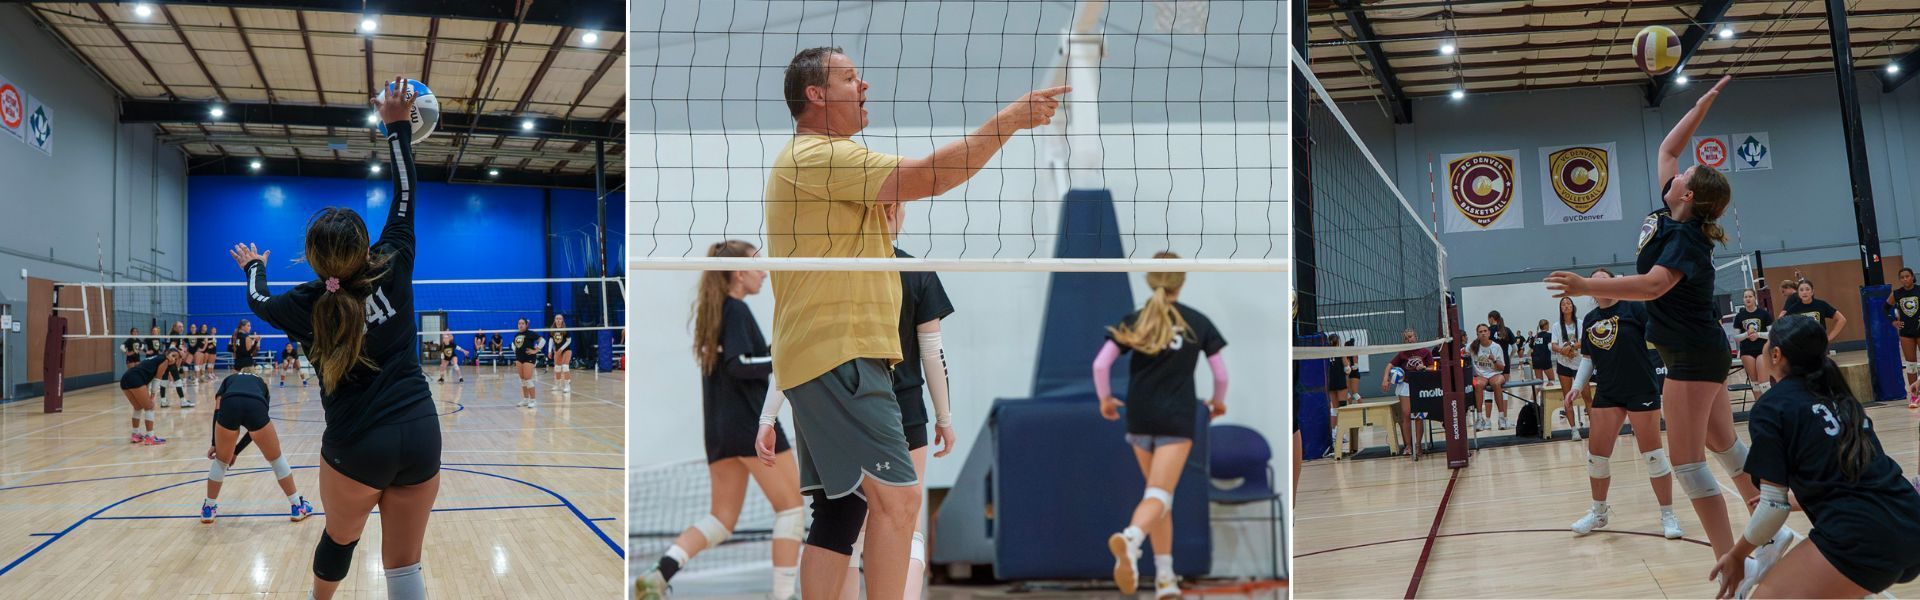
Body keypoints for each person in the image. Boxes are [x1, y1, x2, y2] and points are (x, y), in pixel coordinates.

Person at [752, 45, 1065, 600]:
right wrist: (1009, 121)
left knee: (840, 513)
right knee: (899, 502)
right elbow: (933, 176)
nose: (864, 85)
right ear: (816, 96)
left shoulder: (816, 166)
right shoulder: (820, 156)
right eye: (850, 78)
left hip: (817, 359)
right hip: (840, 355)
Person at [1547, 75, 1792, 581]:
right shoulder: (1668, 211)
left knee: (1686, 462)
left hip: (1692, 356)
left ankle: (1733, 563)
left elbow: (1655, 287)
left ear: (1690, 194)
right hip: (1700, 351)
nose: (1680, 170)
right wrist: (1702, 103)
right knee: (1724, 447)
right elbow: (1668, 145)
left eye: (1690, 173)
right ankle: (1771, 526)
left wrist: (1585, 286)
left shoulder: (1685, 239)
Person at [231, 76, 438, 599]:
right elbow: (407, 191)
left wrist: (256, 267)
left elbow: (256, 301)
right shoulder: (393, 261)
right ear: (366, 247)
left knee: (339, 542)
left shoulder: (303, 305)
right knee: (404, 567)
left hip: (357, 446)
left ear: (315, 258)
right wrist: (396, 131)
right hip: (419, 432)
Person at [638, 241, 806, 600]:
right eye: (757, 265)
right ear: (738, 272)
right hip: (750, 427)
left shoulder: (714, 314)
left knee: (722, 520)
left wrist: (773, 355)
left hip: (719, 432)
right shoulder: (736, 310)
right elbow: (736, 365)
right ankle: (782, 595)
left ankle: (658, 573)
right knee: (791, 509)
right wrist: (784, 361)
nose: (764, 271)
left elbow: (736, 363)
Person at [1710, 315, 1920, 598]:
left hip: (1860, 535)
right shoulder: (1841, 396)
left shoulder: (1773, 406)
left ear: (1775, 354)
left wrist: (1737, 555)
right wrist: (1797, 501)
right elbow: (1859, 472)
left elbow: (1773, 506)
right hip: (1908, 520)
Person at [1092, 253, 1227, 598]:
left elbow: (1099, 365)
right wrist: (1218, 401)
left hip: (1139, 416)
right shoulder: (1197, 321)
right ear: (1181, 281)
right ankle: (1132, 538)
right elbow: (1221, 375)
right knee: (1159, 495)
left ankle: (1166, 578)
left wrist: (1106, 400)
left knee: (1159, 496)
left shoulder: (1136, 320)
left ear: (1150, 280)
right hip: (1176, 418)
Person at [1563, 268, 1684, 539]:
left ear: (1615, 284)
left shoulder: (1635, 309)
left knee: (1653, 455)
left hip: (1641, 388)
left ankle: (1668, 515)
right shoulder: (1590, 320)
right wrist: (1576, 386)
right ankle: (1599, 513)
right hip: (1608, 391)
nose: (1599, 284)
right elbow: (1587, 358)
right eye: (1593, 281)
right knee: (1596, 457)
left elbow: (1658, 339)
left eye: (1603, 279)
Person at [202, 371, 315, 524]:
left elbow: (217, 409)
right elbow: (254, 429)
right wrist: (236, 450)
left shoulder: (229, 379)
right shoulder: (261, 383)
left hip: (230, 402)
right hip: (255, 403)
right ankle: (297, 506)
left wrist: (215, 443)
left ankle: (208, 509)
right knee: (276, 459)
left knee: (221, 462)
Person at [1383, 328, 1431, 456]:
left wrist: (1425, 367)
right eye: (1406, 338)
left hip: (1420, 386)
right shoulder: (1402, 353)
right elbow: (1389, 365)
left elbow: (1433, 367)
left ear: (1416, 337)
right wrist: (1385, 379)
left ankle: (1418, 445)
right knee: (1406, 414)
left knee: (1419, 417)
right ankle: (1408, 446)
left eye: (1410, 336)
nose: (1408, 339)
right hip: (1405, 385)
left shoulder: (1425, 351)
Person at [121, 348, 184, 445]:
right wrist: (153, 394)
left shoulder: (156, 358)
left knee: (137, 407)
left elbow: (147, 376)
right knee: (149, 407)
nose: (173, 358)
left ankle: (135, 434)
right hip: (135, 378)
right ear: (167, 354)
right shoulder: (165, 360)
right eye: (173, 355)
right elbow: (157, 379)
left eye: (176, 357)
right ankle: (150, 436)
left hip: (126, 377)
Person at [1552, 297, 1590, 439]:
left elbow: (1583, 341)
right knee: (1567, 397)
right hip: (1564, 364)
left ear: (1573, 307)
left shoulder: (1581, 323)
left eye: (1568, 303)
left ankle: (1594, 428)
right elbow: (1554, 345)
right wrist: (1563, 350)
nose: (1566, 306)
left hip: (1580, 364)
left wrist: (1571, 347)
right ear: (1560, 308)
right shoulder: (1556, 326)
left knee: (1587, 397)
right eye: (1563, 304)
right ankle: (1574, 429)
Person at [1885, 268, 1920, 407]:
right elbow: (1885, 308)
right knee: (1911, 364)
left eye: (1907, 276)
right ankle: (1914, 395)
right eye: (1902, 277)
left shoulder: (1919, 290)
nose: (1905, 279)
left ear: (1912, 277)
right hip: (1906, 333)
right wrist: (1893, 321)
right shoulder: (1897, 294)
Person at [1467, 324, 1508, 431]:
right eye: (1480, 332)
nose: (1483, 333)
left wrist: (1494, 360)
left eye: (1485, 331)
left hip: (1495, 374)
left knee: (1496, 383)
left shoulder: (1496, 347)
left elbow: (1502, 367)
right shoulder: (1472, 346)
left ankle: (1501, 417)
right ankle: (1480, 418)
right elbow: (1461, 352)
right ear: (1477, 334)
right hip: (1481, 375)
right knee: (1478, 384)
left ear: (1489, 333)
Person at [1733, 288, 1774, 395]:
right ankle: (1759, 409)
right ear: (1743, 299)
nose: (1748, 299)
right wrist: (1747, 334)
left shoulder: (1763, 314)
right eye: (1745, 297)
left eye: (1750, 296)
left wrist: (1758, 334)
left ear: (1755, 298)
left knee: (1764, 384)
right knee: (1755, 384)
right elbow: (1736, 337)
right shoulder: (1739, 316)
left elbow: (1772, 333)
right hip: (1747, 351)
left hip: (1762, 350)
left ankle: (1770, 409)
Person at [1781, 279, 1847, 344]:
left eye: (1807, 289)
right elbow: (1782, 325)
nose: (1804, 292)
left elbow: (1842, 319)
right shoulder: (1794, 308)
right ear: (1798, 293)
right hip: (1802, 346)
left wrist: (1829, 337)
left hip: (1819, 344)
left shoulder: (1821, 304)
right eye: (1801, 290)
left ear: (1812, 292)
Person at [511, 318, 542, 408]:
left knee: (528, 379)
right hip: (519, 358)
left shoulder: (530, 333)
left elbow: (542, 341)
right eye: (519, 323)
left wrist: (535, 350)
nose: (520, 325)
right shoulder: (517, 335)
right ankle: (525, 399)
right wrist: (515, 351)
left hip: (529, 358)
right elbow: (514, 344)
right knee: (523, 380)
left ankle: (533, 400)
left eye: (522, 323)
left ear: (526, 325)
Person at [549, 314, 575, 394]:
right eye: (557, 318)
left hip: (566, 350)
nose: (558, 320)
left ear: (562, 320)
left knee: (565, 367)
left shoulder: (565, 329)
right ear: (554, 320)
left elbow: (569, 341)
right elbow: (551, 340)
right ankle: (558, 385)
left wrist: (561, 349)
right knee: (557, 368)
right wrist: (550, 351)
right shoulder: (552, 330)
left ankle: (567, 386)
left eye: (560, 319)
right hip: (557, 351)